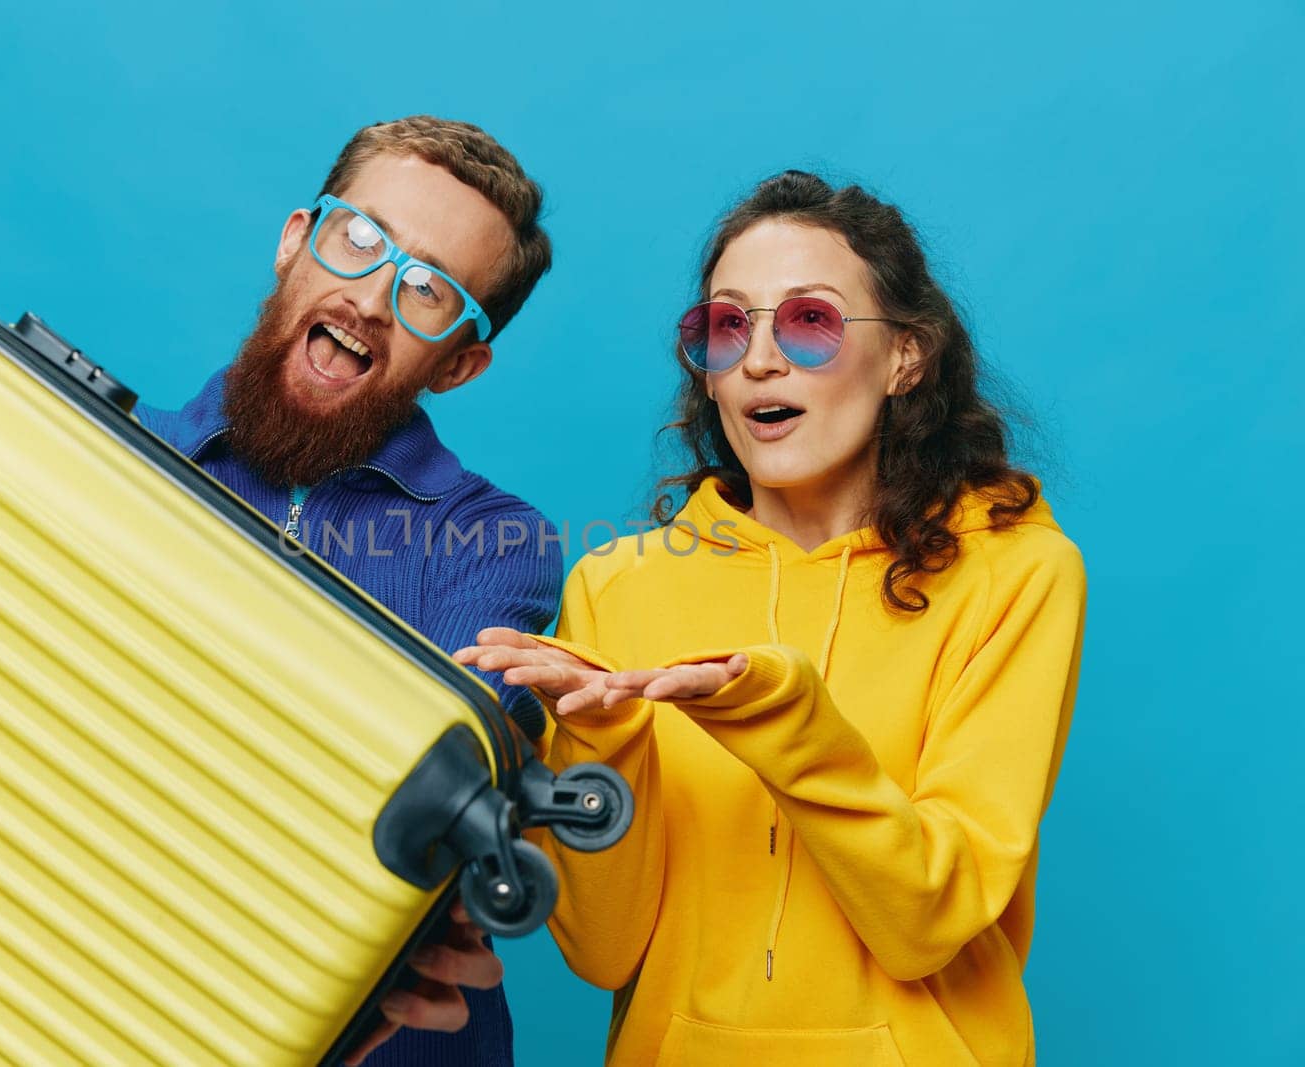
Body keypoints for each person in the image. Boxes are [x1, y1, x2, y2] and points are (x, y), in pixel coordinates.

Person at [0, 115, 561, 1067]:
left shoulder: (491, 541)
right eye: (360, 237)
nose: (371, 294)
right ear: (294, 240)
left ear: (461, 361)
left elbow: (415, 791)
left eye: (432, 290)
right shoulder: (69, 464)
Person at [458, 171, 1087, 1065]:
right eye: (727, 326)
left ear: (906, 355)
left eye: (810, 322)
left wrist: (783, 716)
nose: (758, 360)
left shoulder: (1017, 572)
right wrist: (601, 739)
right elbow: (603, 955)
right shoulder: (617, 585)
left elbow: (928, 922)